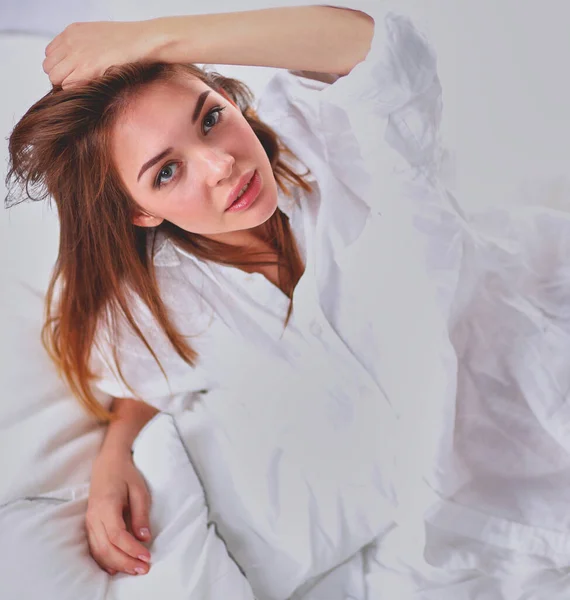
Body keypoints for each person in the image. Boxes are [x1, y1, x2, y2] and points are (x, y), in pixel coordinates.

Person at [11, 2, 570, 597]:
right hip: (456, 508)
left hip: (532, 341)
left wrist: (149, 39)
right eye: (167, 172)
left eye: (209, 118)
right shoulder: (155, 306)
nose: (222, 164)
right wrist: (113, 455)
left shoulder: (321, 136)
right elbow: (140, 382)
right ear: (139, 211)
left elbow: (376, 46)